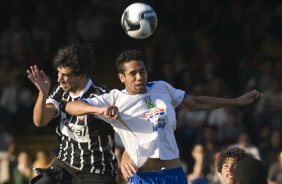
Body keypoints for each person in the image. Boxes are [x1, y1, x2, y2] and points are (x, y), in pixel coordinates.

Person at [65, 50, 263, 184]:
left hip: (175, 174)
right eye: (133, 73)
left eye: (142, 71)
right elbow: (71, 106)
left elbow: (194, 102)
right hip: (144, 178)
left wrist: (235, 101)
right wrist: (99, 110)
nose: (139, 77)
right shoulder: (114, 98)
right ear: (122, 78)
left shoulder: (161, 87)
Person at [26, 42, 118, 184]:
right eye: (58, 73)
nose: (59, 79)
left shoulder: (102, 95)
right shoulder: (60, 90)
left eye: (65, 75)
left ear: (82, 75)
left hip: (96, 171)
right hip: (64, 167)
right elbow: (40, 121)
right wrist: (42, 93)